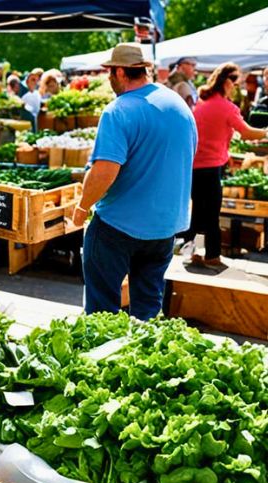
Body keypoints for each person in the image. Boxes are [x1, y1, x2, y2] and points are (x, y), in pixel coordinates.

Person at [71, 44, 197, 320]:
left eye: (109, 72)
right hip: (165, 226)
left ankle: (99, 360)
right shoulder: (178, 104)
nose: (108, 78)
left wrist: (81, 208)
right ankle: (142, 359)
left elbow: (104, 171)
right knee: (148, 309)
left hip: (119, 224)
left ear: (118, 71)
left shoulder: (118, 110)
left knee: (101, 313)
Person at [181, 63, 267, 267]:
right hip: (210, 167)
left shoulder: (202, 103)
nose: (236, 88)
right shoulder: (226, 107)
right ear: (227, 82)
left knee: (197, 210)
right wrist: (265, 132)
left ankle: (188, 250)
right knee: (211, 212)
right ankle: (212, 255)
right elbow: (246, 132)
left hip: (194, 165)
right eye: (235, 83)